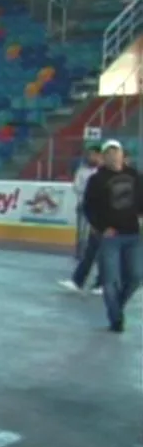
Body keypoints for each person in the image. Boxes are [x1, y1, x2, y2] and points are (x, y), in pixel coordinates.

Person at [82, 139, 143, 333]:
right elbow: (88, 207)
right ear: (103, 156)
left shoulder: (136, 176)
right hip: (110, 237)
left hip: (134, 235)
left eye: (115, 151)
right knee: (110, 281)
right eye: (107, 152)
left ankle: (116, 307)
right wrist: (100, 227)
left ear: (122, 154)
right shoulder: (96, 179)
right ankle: (116, 320)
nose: (112, 155)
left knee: (135, 277)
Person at [59, 144, 104, 295]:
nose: (91, 157)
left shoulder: (106, 172)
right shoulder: (83, 170)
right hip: (89, 209)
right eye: (89, 154)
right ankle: (79, 281)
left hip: (105, 215)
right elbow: (77, 187)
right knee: (91, 249)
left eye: (94, 154)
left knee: (103, 251)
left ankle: (101, 283)